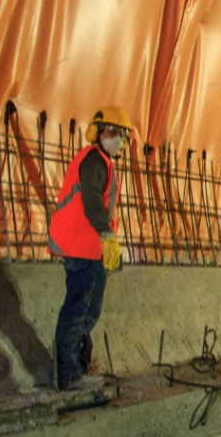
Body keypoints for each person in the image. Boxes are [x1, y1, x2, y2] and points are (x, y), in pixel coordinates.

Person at [47, 107, 133, 391]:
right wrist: (107, 235)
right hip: (81, 247)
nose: (117, 138)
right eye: (112, 131)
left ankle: (78, 368)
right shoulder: (94, 160)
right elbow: (92, 200)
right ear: (97, 133)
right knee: (78, 310)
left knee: (89, 310)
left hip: (90, 249)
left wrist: (107, 243)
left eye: (121, 134)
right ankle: (69, 375)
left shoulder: (103, 162)